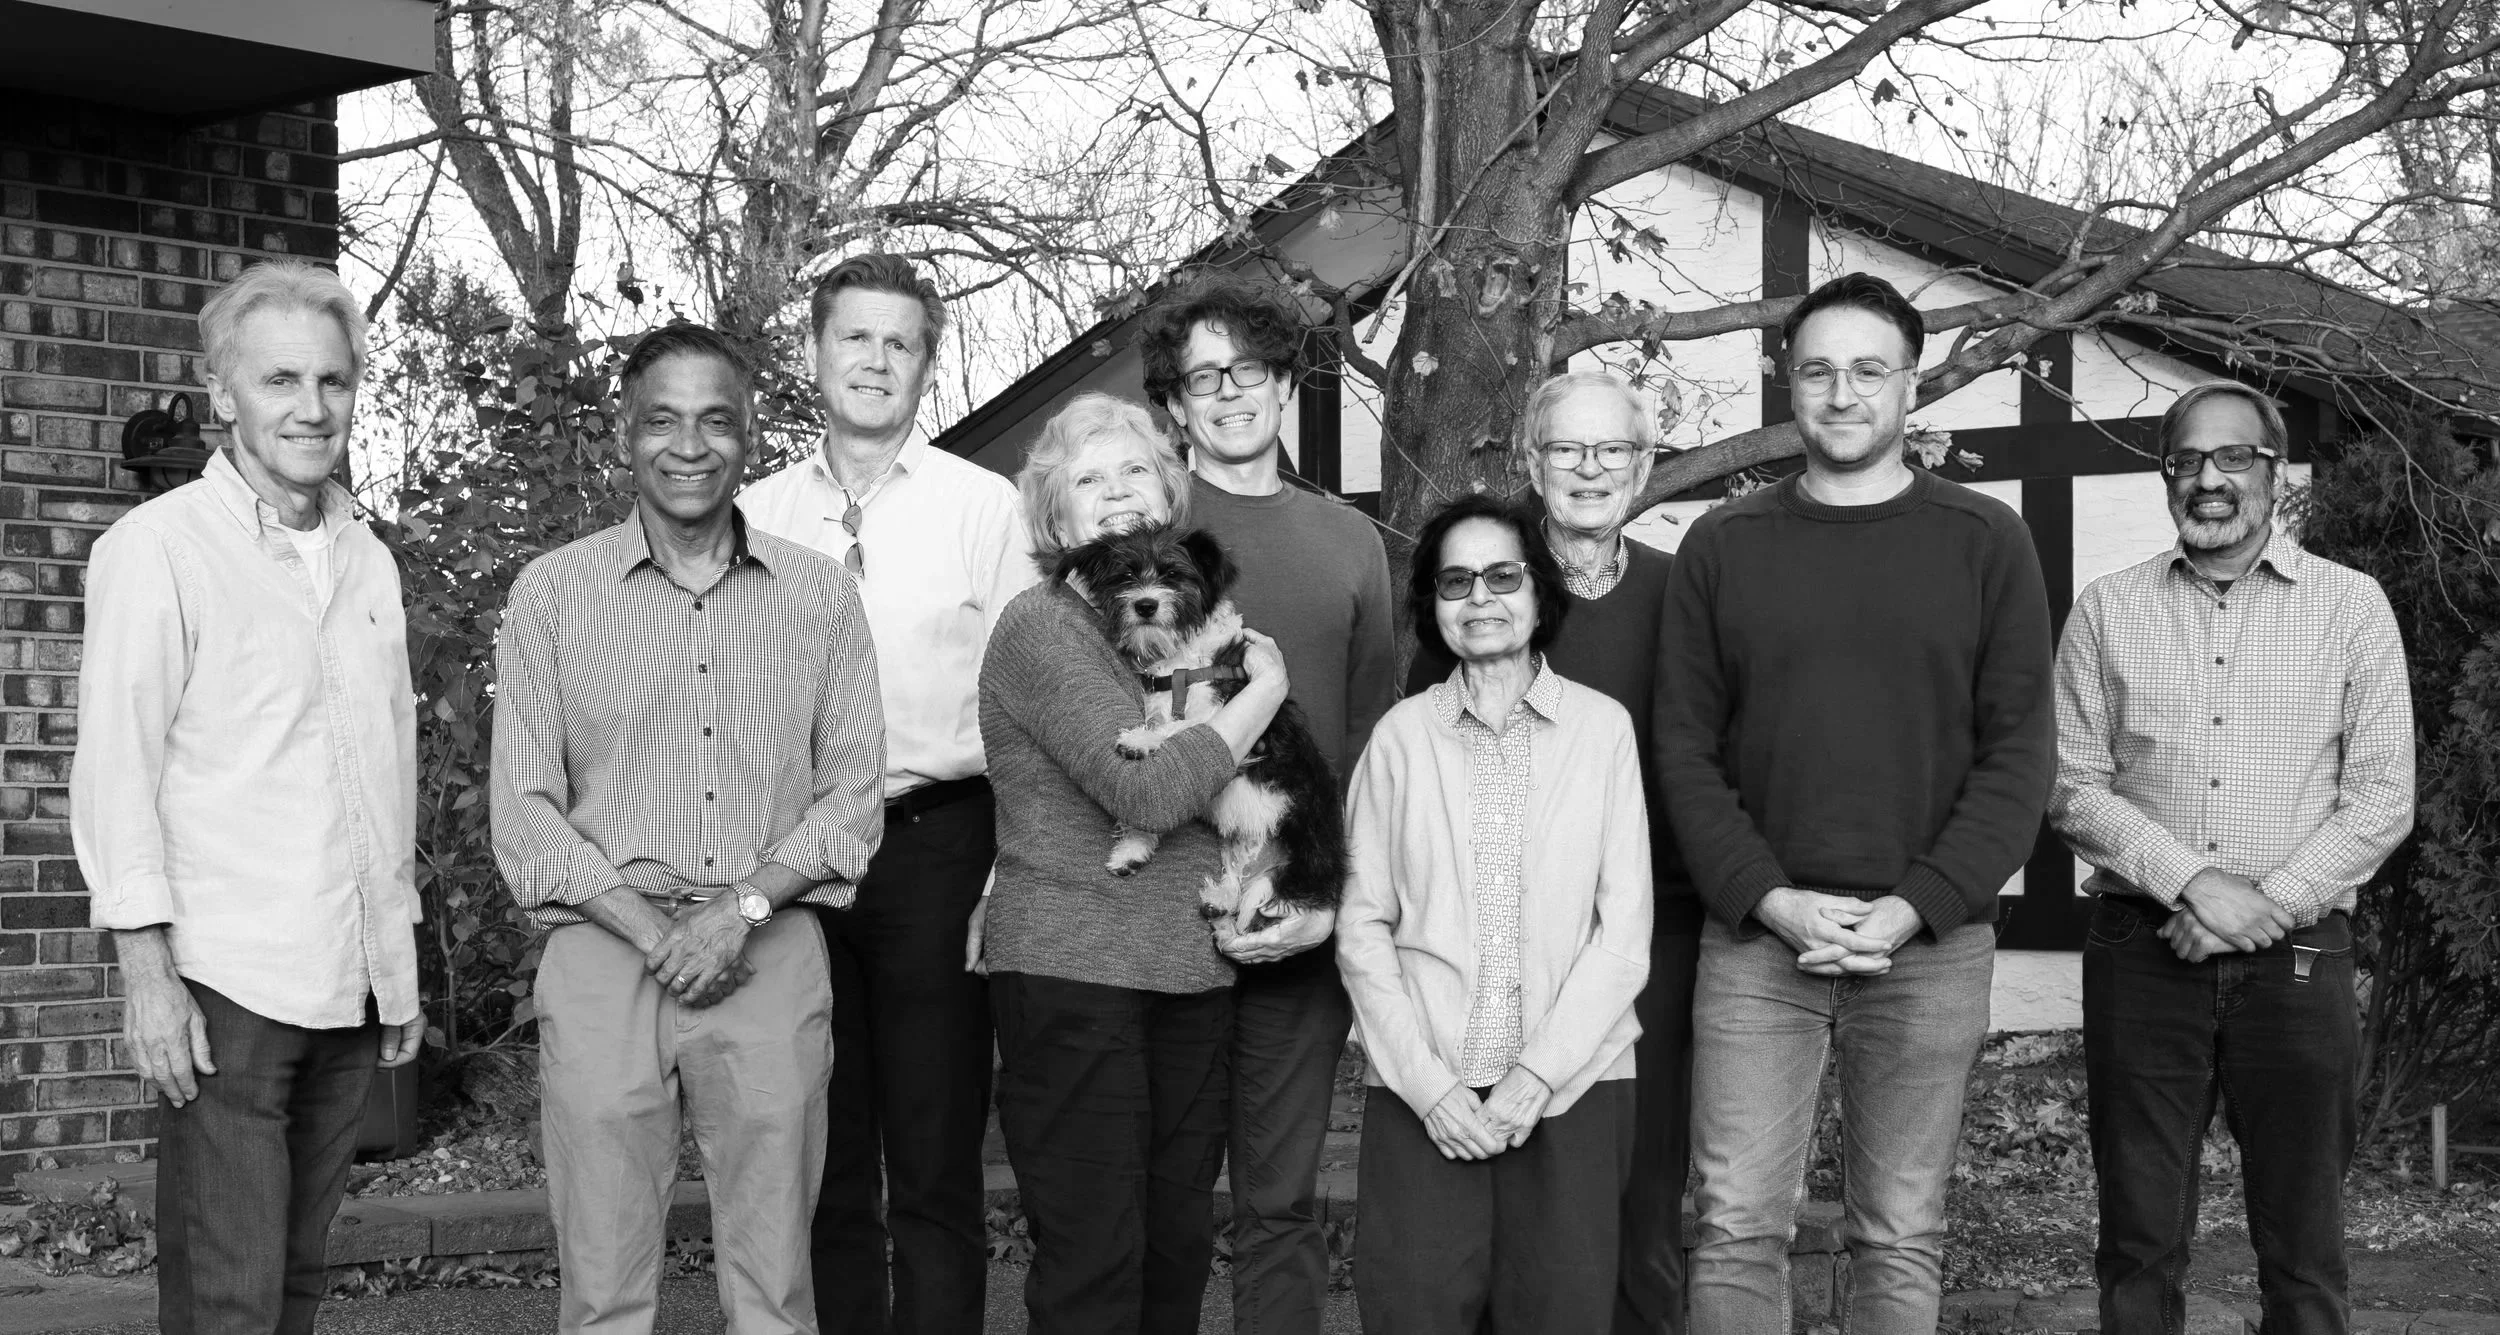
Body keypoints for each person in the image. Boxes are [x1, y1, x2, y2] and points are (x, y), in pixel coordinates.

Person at [1655, 271, 2056, 1335]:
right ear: (1790, 383)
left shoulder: (1984, 542)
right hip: (1756, 945)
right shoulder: (1723, 547)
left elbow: (2019, 756)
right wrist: (1770, 900)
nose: (1841, 393)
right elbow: (1683, 754)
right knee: (1737, 1221)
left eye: (1868, 370)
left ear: (1910, 386)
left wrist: (1916, 903)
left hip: (1926, 946)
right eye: (1818, 370)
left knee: (1898, 1229)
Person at [490, 324, 885, 1335]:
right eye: (662, 419)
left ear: (749, 434)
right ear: (626, 434)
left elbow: (853, 794)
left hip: (768, 946)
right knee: (605, 1289)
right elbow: (524, 807)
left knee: (773, 1290)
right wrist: (650, 928)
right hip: (600, 951)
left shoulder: (819, 596)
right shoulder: (553, 594)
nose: (689, 444)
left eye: (716, 420)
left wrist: (739, 911)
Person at [70, 258, 424, 1335]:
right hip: (227, 984)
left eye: (332, 381)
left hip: (347, 979)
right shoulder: (157, 551)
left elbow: (386, 767)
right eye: (279, 382)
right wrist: (147, 976)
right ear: (224, 393)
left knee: (296, 1286)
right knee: (226, 1296)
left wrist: (396, 964)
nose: (310, 409)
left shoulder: (369, 561)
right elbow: (116, 767)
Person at [2049, 381, 2414, 1335]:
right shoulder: (2107, 609)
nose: (2208, 481)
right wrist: (2196, 884)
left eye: (2233, 459)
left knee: (2303, 1249)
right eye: (2186, 461)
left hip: (2298, 963)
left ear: (2275, 470)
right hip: (2141, 953)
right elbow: (2070, 783)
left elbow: (2381, 798)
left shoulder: (2352, 609)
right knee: (2137, 1242)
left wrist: (2266, 904)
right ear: (2168, 475)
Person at [739, 253, 1034, 1335]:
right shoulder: (755, 511)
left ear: (925, 366)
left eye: (898, 342)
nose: (874, 359)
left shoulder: (985, 509)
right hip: (794, 858)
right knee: (817, 1145)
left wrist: (1006, 871)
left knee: (934, 1150)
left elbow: (1027, 701)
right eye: (854, 337)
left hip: (936, 849)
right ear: (814, 353)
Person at [980, 391, 1293, 1334]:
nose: (1115, 493)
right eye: (1088, 477)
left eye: (1136, 471)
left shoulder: (1187, 626)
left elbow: (1245, 793)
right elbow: (1147, 794)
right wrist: (1261, 696)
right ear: (1055, 513)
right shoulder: (1043, 628)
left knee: (1175, 1250)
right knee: (1094, 1264)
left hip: (1189, 973)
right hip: (1076, 972)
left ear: (1169, 490)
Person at [1402, 370, 1698, 1335]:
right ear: (1532, 460)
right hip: (1498, 945)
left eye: (1613, 449)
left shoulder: (1681, 588)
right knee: (1522, 1206)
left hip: (1644, 936)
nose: (1589, 468)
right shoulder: (1484, 591)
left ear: (1644, 463)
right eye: (1565, 448)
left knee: (1641, 1193)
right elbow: (1422, 752)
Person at [1137, 271, 1396, 1333]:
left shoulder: (1349, 543)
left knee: (1282, 1203)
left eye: (1249, 369)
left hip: (1298, 919)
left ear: (1284, 382)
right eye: (1204, 377)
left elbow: (1374, 745)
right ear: (1174, 403)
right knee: (1159, 1203)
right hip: (1158, 911)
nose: (1230, 393)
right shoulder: (1141, 538)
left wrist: (1331, 901)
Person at [1341, 493, 1653, 1333]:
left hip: (1573, 1085)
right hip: (1424, 1089)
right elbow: (1362, 925)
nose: (1479, 597)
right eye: (1454, 580)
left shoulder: (1603, 731)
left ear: (1539, 590)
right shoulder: (1399, 740)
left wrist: (1534, 1077)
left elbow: (1623, 936)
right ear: (1432, 606)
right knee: (1413, 1311)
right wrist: (1430, 1084)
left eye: (1502, 575)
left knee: (1561, 1313)